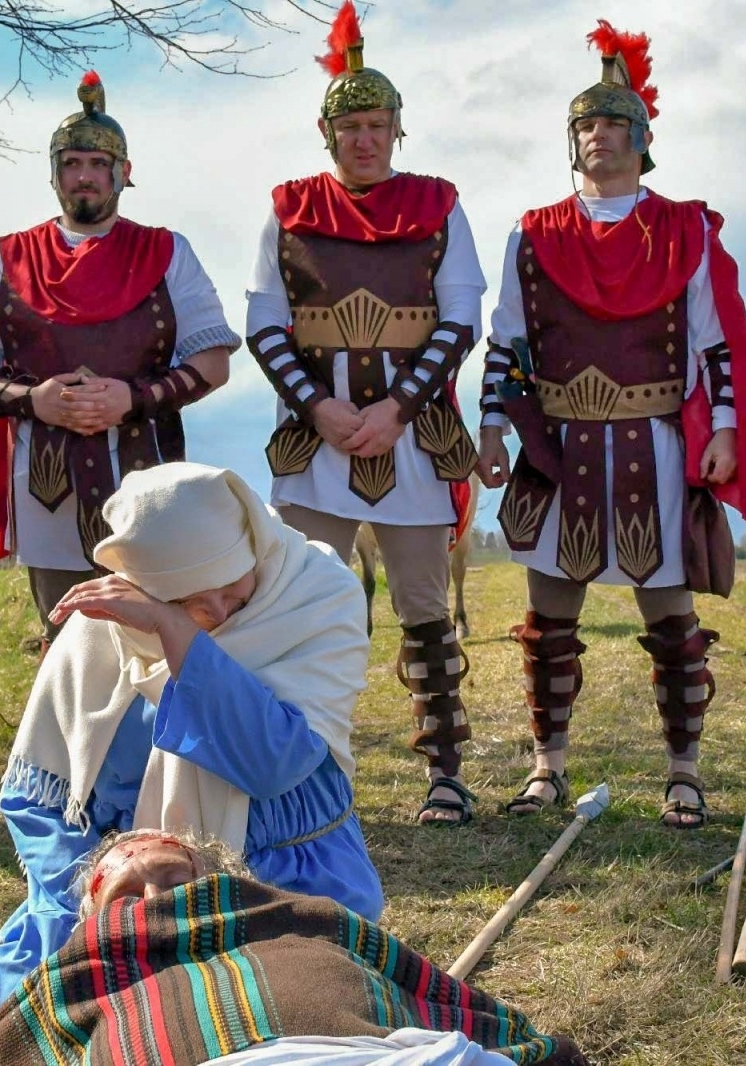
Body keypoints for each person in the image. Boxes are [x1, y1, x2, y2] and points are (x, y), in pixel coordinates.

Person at [0, 462, 382, 1066]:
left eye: (232, 581)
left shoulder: (316, 595)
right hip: (117, 887)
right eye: (187, 596)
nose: (218, 606)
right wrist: (82, 897)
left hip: (277, 873)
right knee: (5, 1018)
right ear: (136, 581)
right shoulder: (100, 626)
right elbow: (38, 797)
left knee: (279, 1019)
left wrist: (176, 630)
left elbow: (274, 764)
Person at [476, 22, 746, 826]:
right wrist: (495, 425)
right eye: (584, 127)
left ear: (643, 140)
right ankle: (548, 768)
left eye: (611, 124)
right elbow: (507, 338)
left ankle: (683, 771)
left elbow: (713, 341)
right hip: (561, 442)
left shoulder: (684, 232)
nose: (596, 136)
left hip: (656, 443)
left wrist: (727, 429)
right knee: (549, 616)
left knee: (671, 616)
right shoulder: (532, 233)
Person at [245, 2, 486, 826]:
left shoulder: (438, 204)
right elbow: (263, 322)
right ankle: (305, 774)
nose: (364, 139)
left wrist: (394, 409)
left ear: (396, 130)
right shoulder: (289, 207)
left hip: (413, 439)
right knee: (306, 606)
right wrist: (317, 407)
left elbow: (460, 318)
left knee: (424, 609)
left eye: (378, 125)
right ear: (327, 130)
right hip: (316, 442)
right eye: (350, 126)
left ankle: (445, 772)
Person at [0, 71, 239, 651]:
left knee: (156, 635)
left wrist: (133, 398)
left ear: (124, 173)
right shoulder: (8, 256)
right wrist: (35, 400)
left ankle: (157, 742)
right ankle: (68, 743)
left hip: (147, 467)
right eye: (72, 162)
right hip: (47, 477)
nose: (85, 176)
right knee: (66, 641)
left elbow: (215, 360)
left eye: (99, 164)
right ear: (55, 174)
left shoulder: (166, 251)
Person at [0, 828, 589, 1066]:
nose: (153, 904)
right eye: (125, 894)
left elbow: (427, 991)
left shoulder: (303, 918)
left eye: (175, 878)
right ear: (91, 920)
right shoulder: (74, 974)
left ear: (222, 881)